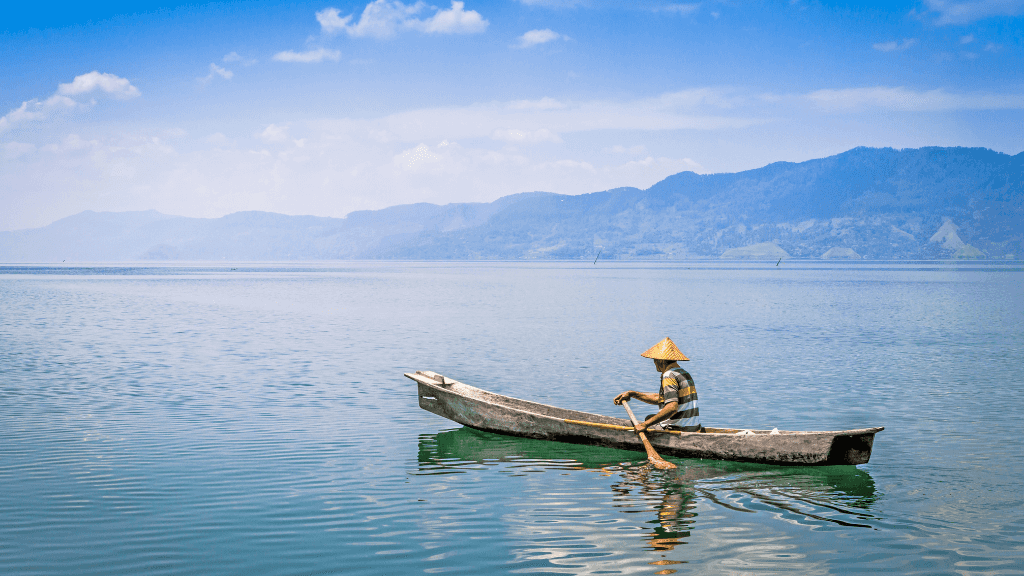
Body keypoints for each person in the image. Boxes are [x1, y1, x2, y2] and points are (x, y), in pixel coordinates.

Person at [613, 337, 703, 433]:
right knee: (650, 417)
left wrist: (645, 424)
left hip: (677, 429)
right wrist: (632, 394)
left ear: (661, 360)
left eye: (655, 359)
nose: (654, 362)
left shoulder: (669, 375)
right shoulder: (683, 373)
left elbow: (672, 408)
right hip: (694, 428)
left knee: (647, 421)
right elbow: (661, 398)